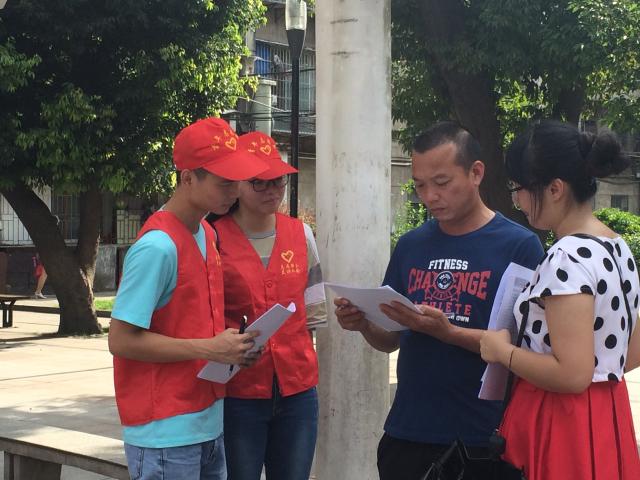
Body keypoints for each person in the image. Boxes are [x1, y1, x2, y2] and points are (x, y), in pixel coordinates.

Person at [334, 122, 544, 480]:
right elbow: (390, 339)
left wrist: (448, 332)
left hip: (483, 439)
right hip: (408, 433)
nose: (430, 196)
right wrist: (364, 323)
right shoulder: (411, 246)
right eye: (420, 185)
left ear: (476, 172)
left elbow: (526, 349)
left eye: (442, 182)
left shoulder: (519, 246)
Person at [108, 117, 269, 480]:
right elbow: (120, 340)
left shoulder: (207, 233)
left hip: (207, 422)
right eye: (224, 182)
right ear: (187, 178)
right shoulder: (157, 247)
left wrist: (232, 349)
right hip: (164, 431)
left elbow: (193, 322)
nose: (234, 191)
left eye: (237, 181)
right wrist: (210, 348)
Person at [480, 120, 640, 480]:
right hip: (607, 415)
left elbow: (572, 375)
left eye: (519, 188)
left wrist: (501, 351)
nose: (516, 200)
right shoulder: (618, 248)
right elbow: (631, 353)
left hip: (562, 420)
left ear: (555, 189)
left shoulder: (566, 257)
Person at [211, 131, 326, 480]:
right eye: (258, 182)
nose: (271, 191)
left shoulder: (301, 235)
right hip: (238, 392)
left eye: (277, 181)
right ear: (236, 185)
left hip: (297, 391)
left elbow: (314, 310)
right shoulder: (213, 238)